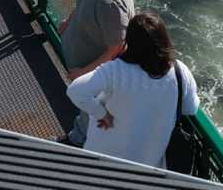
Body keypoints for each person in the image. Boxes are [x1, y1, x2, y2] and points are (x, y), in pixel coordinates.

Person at [66, 13, 199, 168]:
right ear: (164, 41)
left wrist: (101, 113)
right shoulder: (178, 72)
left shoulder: (114, 70)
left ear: (129, 42)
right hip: (147, 164)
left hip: (103, 157)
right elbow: (191, 108)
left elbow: (75, 91)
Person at [58, 0, 135, 146]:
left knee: (88, 112)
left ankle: (77, 143)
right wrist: (69, 19)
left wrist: (82, 74)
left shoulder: (109, 2)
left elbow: (116, 49)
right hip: (82, 59)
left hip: (93, 74)